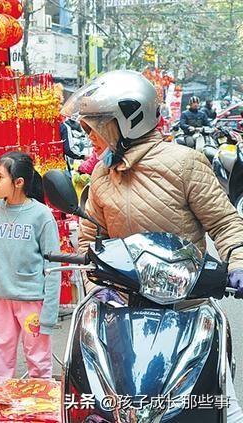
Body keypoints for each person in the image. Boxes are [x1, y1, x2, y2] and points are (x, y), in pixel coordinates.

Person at [63, 70, 243, 421]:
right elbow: (90, 239)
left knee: (219, 403)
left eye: (97, 124)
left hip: (186, 307)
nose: (90, 135)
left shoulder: (185, 164)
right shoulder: (101, 175)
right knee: (93, 403)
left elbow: (224, 223)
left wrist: (237, 262)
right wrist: (94, 283)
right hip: (120, 314)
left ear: (129, 120)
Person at [0, 151, 61, 383]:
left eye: (0, 177)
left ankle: (40, 413)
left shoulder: (42, 216)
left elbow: (53, 269)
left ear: (18, 182)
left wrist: (49, 314)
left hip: (32, 302)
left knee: (39, 364)